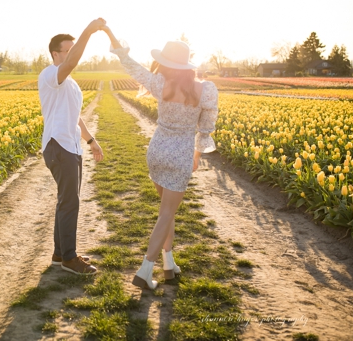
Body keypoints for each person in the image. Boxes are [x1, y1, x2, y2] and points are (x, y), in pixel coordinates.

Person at [103, 26, 219, 290]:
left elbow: (131, 65)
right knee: (167, 211)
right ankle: (145, 270)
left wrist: (113, 39)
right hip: (180, 155)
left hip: (156, 151)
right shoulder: (206, 90)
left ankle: (168, 263)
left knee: (167, 212)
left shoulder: (159, 83)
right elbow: (206, 128)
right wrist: (197, 155)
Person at [38, 18, 106, 275]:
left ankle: (59, 254)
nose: (73, 54)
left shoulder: (70, 84)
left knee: (66, 201)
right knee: (70, 203)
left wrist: (90, 139)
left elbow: (75, 115)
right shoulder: (50, 75)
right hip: (59, 146)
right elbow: (71, 62)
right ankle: (69, 258)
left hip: (71, 146)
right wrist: (89, 31)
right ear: (56, 53)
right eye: (68, 49)